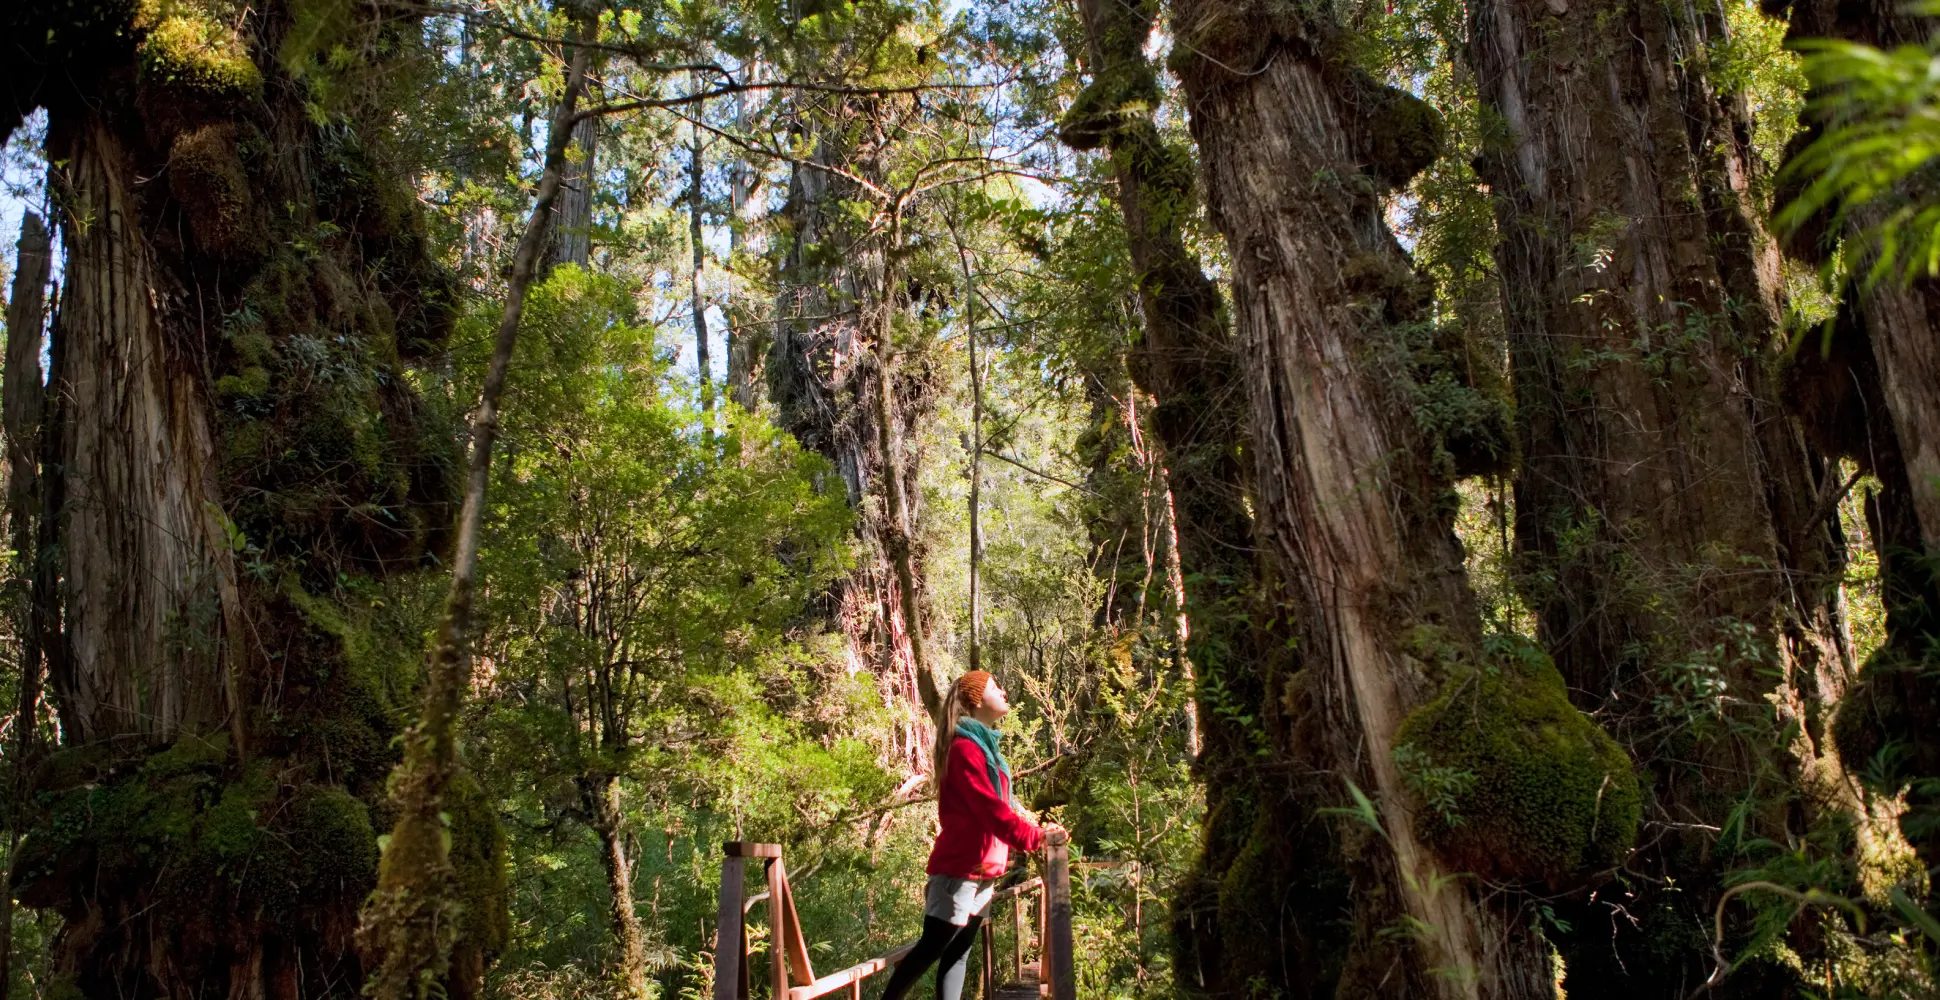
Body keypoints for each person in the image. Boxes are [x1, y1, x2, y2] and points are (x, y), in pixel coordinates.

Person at [878, 670, 1066, 1000]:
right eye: (996, 687)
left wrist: (1038, 829)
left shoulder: (988, 751)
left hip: (984, 872)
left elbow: (1004, 809)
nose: (1004, 692)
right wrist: (1035, 838)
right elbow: (990, 810)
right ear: (977, 700)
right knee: (930, 950)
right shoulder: (965, 749)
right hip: (958, 870)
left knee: (957, 954)